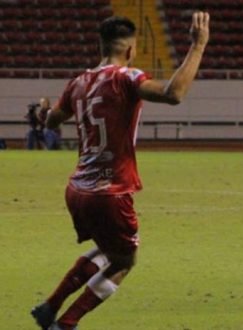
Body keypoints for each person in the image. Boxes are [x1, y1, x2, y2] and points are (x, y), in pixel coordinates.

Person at [31, 12, 209, 330]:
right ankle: (66, 323)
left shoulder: (78, 83)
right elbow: (174, 94)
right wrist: (198, 46)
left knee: (108, 247)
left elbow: (51, 121)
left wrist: (44, 111)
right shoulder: (126, 78)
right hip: (110, 191)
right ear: (129, 50)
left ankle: (49, 307)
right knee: (125, 260)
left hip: (77, 190)